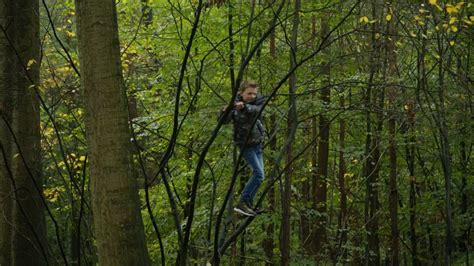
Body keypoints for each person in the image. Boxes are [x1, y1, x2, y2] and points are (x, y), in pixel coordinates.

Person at [220, 80, 265, 216]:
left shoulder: (257, 103)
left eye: (254, 94)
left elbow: (257, 111)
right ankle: (242, 203)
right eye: (249, 93)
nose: (252, 96)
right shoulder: (235, 106)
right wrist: (225, 111)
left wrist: (244, 107)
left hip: (257, 144)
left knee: (260, 177)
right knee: (258, 174)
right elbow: (223, 121)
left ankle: (248, 203)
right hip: (246, 146)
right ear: (241, 93)